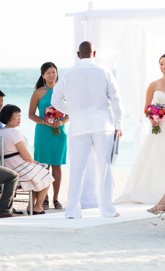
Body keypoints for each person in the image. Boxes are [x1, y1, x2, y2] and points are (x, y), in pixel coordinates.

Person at [51, 41, 123, 220]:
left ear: (78, 54)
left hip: (78, 126)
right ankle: (107, 210)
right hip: (102, 125)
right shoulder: (104, 72)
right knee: (104, 168)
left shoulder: (67, 74)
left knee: (77, 168)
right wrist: (119, 125)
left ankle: (73, 212)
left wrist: (73, 110)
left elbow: (55, 101)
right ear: (94, 53)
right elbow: (117, 102)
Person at [119, 53, 165, 209]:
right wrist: (152, 118)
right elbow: (146, 109)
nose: (164, 67)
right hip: (157, 127)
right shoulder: (153, 85)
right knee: (155, 155)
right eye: (161, 64)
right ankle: (153, 190)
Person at [0, 104, 54, 214]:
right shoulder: (14, 132)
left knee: (37, 174)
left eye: (20, 116)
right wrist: (33, 162)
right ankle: (37, 206)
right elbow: (26, 156)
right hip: (15, 165)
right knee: (46, 175)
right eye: (16, 116)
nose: (19, 119)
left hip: (4, 165)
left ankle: (32, 206)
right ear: (9, 118)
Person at [28, 62, 68, 209]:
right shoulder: (38, 93)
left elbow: (70, 111)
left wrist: (62, 121)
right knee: (44, 166)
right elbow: (30, 115)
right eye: (48, 73)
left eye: (54, 72)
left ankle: (56, 198)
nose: (52, 75)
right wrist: (46, 122)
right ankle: (44, 197)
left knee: (57, 165)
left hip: (60, 132)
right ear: (43, 76)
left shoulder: (64, 90)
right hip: (43, 132)